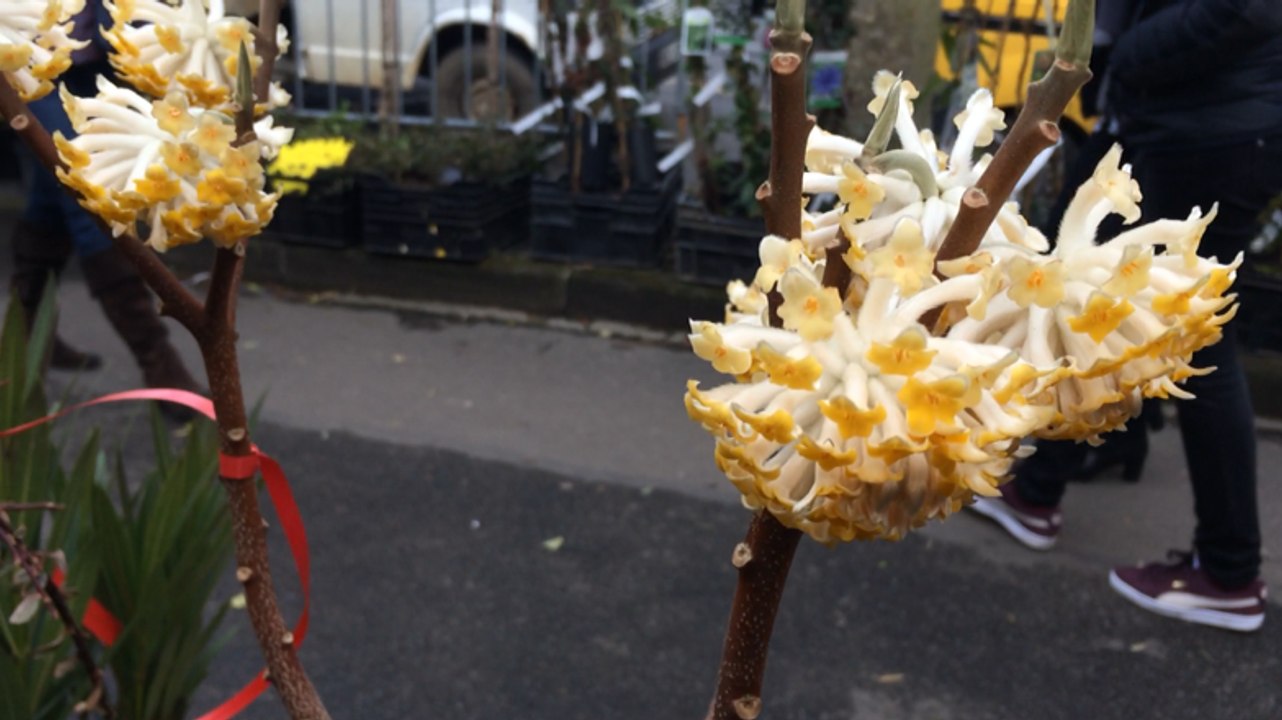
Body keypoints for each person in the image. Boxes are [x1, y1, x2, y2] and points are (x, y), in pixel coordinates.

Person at [971, 0, 1282, 633]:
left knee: (1189, 336)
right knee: (1101, 302)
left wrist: (1127, 53)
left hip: (1205, 127)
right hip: (1190, 117)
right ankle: (1062, 474)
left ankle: (1228, 571)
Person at [9, 0, 201, 418]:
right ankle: (158, 361)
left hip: (96, 57)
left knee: (49, 200)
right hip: (25, 56)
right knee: (86, 192)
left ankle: (26, 341)